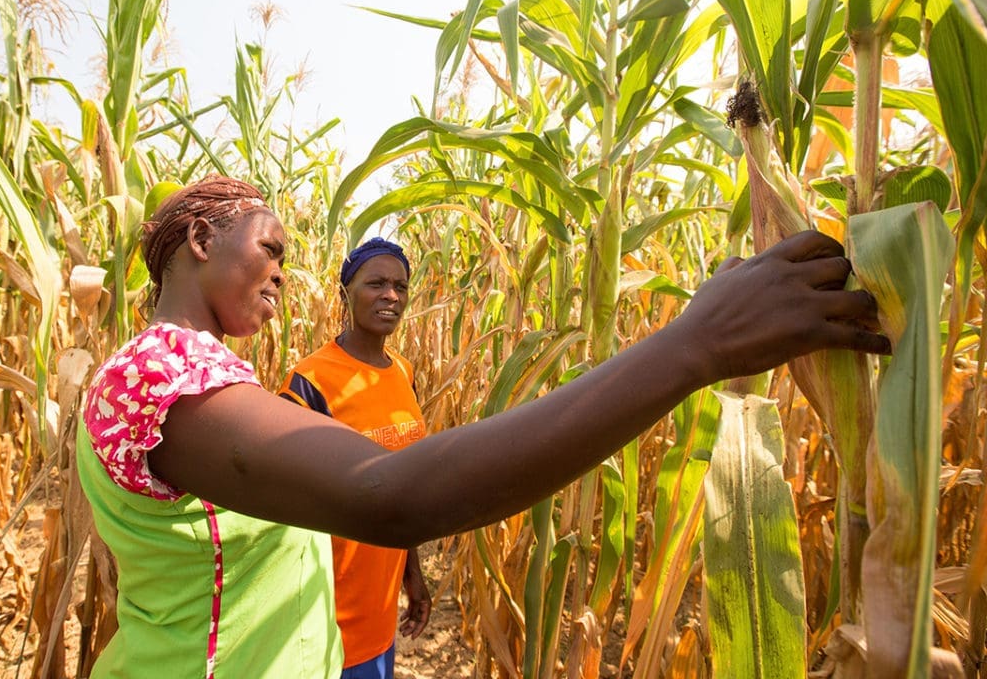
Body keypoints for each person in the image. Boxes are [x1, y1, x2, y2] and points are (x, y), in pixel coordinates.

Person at [77, 174, 889, 678]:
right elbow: (390, 493)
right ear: (198, 239)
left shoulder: (196, 379)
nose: (284, 273)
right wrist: (696, 343)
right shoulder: (158, 378)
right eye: (271, 248)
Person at [278, 238, 431, 679]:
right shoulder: (310, 381)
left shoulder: (402, 371)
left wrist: (411, 573)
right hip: (326, 618)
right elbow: (285, 501)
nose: (391, 296)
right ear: (346, 292)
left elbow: (406, 482)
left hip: (380, 610)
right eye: (376, 283)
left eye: (401, 286)